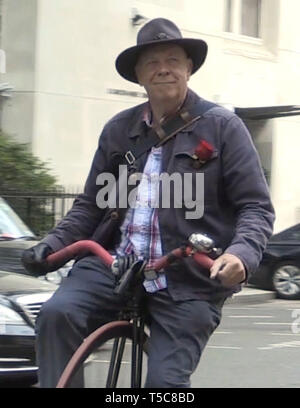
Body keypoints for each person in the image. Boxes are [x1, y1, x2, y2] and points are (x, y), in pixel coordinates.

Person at [22, 18, 275, 388]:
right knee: (57, 315)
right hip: (114, 266)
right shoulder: (118, 130)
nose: (163, 69)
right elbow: (91, 206)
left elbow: (255, 207)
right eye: (152, 63)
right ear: (139, 76)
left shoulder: (222, 127)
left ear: (189, 68)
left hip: (187, 277)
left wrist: (241, 255)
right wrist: (51, 245)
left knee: (165, 385)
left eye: (173, 59)